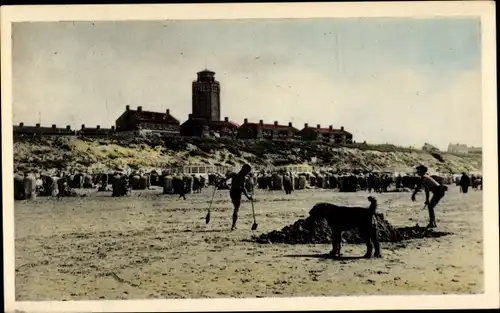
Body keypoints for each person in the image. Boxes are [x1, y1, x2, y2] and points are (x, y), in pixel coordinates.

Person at [219, 164, 253, 231]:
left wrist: (222, 184)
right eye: (247, 171)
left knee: (236, 208)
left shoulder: (234, 174)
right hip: (237, 192)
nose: (247, 173)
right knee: (236, 208)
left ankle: (234, 225)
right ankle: (233, 225)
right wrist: (248, 196)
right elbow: (243, 188)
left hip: (232, 192)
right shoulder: (242, 177)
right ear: (244, 170)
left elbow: (224, 180)